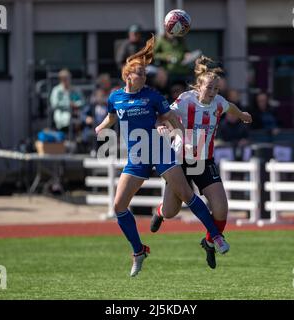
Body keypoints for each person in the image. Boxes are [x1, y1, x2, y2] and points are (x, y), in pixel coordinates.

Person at [95, 37, 229, 277]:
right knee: (118, 206)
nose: (144, 78)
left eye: (146, 74)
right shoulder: (115, 97)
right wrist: (100, 127)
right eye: (140, 74)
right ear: (128, 76)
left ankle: (216, 237)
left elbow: (171, 118)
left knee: (187, 195)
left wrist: (177, 135)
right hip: (137, 158)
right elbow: (112, 117)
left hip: (160, 152)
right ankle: (138, 251)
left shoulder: (153, 96)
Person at [150, 56, 252, 269]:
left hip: (205, 161)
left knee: (222, 209)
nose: (213, 92)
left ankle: (208, 242)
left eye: (216, 88)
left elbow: (230, 106)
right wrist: (162, 126)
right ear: (199, 86)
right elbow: (165, 114)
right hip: (180, 161)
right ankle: (160, 211)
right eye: (209, 87)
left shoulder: (219, 103)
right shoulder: (185, 100)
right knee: (171, 211)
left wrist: (242, 115)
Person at [49, 69, 85, 134]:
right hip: (61, 115)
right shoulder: (56, 90)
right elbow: (54, 104)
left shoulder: (75, 90)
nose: (66, 80)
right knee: (69, 120)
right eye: (64, 79)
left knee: (84, 120)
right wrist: (68, 104)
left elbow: (82, 102)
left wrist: (75, 104)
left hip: (76, 114)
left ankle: (79, 140)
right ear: (60, 79)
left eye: (67, 78)